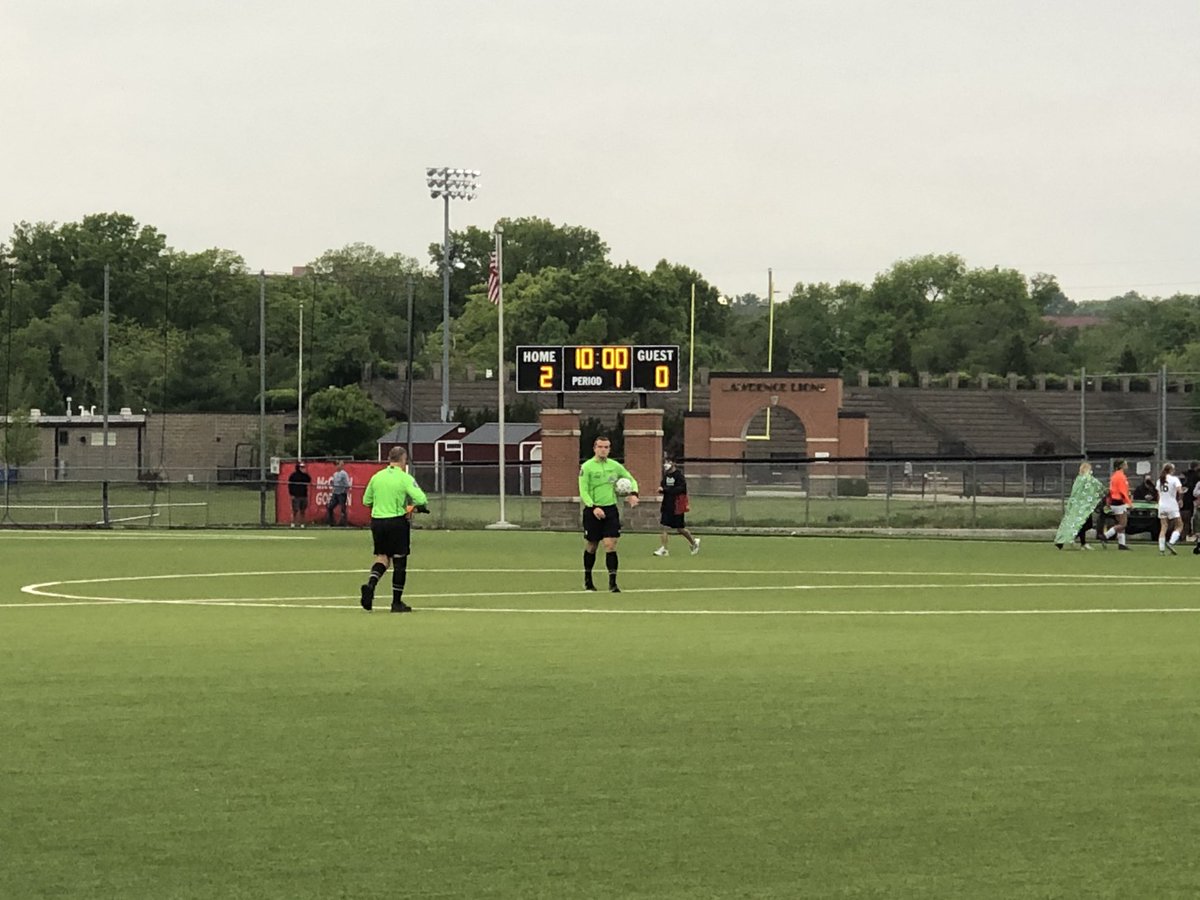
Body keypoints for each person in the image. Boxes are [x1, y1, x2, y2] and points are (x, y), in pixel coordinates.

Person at [359, 447, 429, 612]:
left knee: (382, 557)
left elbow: (366, 501)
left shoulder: (377, 477)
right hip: (396, 521)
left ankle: (371, 585)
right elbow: (421, 499)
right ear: (403, 459)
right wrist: (411, 509)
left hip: (377, 521)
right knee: (399, 560)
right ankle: (396, 602)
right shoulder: (404, 478)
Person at [578, 435, 639, 593]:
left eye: (606, 447)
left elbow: (631, 479)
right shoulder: (587, 467)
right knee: (592, 545)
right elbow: (583, 490)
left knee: (610, 544)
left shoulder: (615, 466)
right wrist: (592, 507)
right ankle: (588, 580)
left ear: (609, 449)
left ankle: (613, 583)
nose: (603, 450)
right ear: (595, 448)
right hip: (593, 510)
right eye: (600, 447)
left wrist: (633, 493)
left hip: (611, 510)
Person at [1054, 461, 1106, 550]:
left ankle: (1082, 542)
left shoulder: (1078, 479)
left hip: (1076, 505)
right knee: (1086, 524)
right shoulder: (1087, 479)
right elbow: (1098, 486)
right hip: (1084, 506)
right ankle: (1073, 537)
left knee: (1079, 523)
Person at [654, 455, 699, 557]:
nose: (666, 464)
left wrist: (666, 490)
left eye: (668, 462)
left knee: (680, 529)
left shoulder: (679, 476)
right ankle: (664, 549)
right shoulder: (665, 476)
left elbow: (681, 489)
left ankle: (694, 543)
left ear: (673, 463)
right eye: (665, 462)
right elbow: (664, 487)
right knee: (664, 526)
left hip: (677, 506)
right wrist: (661, 489)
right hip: (667, 505)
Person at [1101, 458, 1133, 550]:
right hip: (1119, 502)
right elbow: (1123, 491)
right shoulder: (1121, 477)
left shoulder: (1114, 476)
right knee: (1123, 524)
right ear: (1121, 466)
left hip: (1113, 501)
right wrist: (1129, 503)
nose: (1127, 466)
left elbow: (1110, 490)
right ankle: (1105, 536)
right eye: (1125, 464)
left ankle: (1121, 544)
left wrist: (1108, 501)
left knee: (1120, 523)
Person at [1155, 462, 1183, 556]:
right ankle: (1171, 543)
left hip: (1162, 505)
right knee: (1179, 525)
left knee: (1163, 527)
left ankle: (1161, 550)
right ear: (1171, 470)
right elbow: (1180, 491)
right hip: (1172, 505)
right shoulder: (1174, 479)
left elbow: (1158, 494)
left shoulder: (1159, 480)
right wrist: (1180, 500)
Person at [287, 461, 312, 528]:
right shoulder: (293, 476)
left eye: (303, 467)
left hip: (304, 495)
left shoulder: (305, 476)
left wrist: (305, 473)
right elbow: (290, 485)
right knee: (295, 510)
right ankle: (293, 523)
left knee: (302, 510)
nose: (303, 468)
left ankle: (302, 524)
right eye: (301, 467)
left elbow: (309, 480)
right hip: (296, 496)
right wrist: (291, 494)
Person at [326, 460, 351, 526]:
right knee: (330, 507)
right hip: (335, 493)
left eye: (338, 464)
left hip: (341, 494)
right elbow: (334, 483)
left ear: (341, 465)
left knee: (342, 508)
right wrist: (332, 483)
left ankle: (344, 523)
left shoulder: (344, 474)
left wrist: (344, 491)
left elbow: (347, 484)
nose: (337, 466)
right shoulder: (335, 474)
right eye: (336, 465)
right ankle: (331, 522)